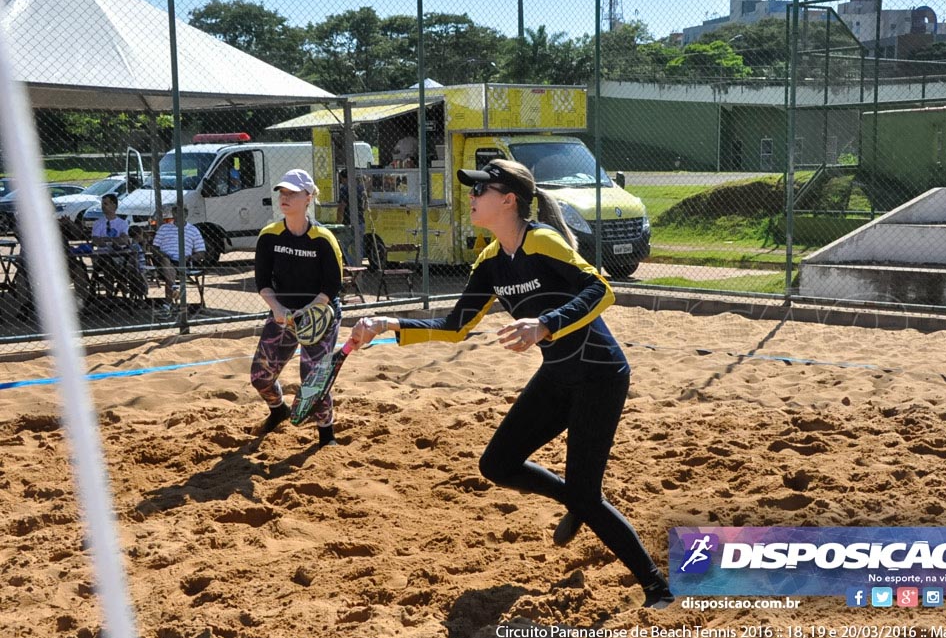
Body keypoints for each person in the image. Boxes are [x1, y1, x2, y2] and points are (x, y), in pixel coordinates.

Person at [347, 158, 674, 609]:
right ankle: (579, 501)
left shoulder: (542, 241)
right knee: (498, 465)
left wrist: (545, 324)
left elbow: (601, 289)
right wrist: (387, 322)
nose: (472, 197)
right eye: (472, 190)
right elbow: (456, 325)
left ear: (508, 200)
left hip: (600, 375)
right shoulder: (490, 261)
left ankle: (657, 585)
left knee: (584, 491)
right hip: (559, 376)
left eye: (480, 190)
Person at [250, 168, 344, 449]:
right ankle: (278, 410)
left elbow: (331, 287)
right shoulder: (269, 236)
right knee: (260, 376)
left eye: (293, 192)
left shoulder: (323, 239)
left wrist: (309, 312)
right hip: (283, 312)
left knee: (313, 377)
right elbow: (262, 282)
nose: (285, 197)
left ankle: (327, 435)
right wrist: (277, 308)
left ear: (309, 197)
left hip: (319, 315)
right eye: (282, 192)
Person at [152, 204, 206, 309]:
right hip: (164, 259)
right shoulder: (164, 228)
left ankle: (168, 302)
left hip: (184, 260)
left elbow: (201, 252)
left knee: (171, 267)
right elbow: (154, 248)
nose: (179, 215)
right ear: (173, 213)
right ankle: (174, 290)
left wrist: (191, 257)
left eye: (182, 212)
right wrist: (162, 254)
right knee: (166, 260)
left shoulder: (193, 230)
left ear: (186, 214)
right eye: (176, 212)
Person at [89, 193, 131, 297]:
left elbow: (124, 240)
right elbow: (95, 240)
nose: (103, 206)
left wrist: (105, 240)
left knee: (129, 264)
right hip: (102, 257)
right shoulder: (98, 223)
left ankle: (127, 296)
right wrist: (116, 240)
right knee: (107, 264)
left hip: (119, 256)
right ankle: (109, 296)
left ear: (114, 205)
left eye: (106, 204)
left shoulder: (122, 223)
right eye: (102, 204)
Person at [337, 167, 368, 264]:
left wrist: (338, 221)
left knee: (342, 246)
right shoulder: (361, 188)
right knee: (358, 247)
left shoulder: (344, 189)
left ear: (344, 178)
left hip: (349, 223)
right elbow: (366, 206)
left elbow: (342, 206)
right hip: (361, 221)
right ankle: (358, 266)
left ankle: (352, 265)